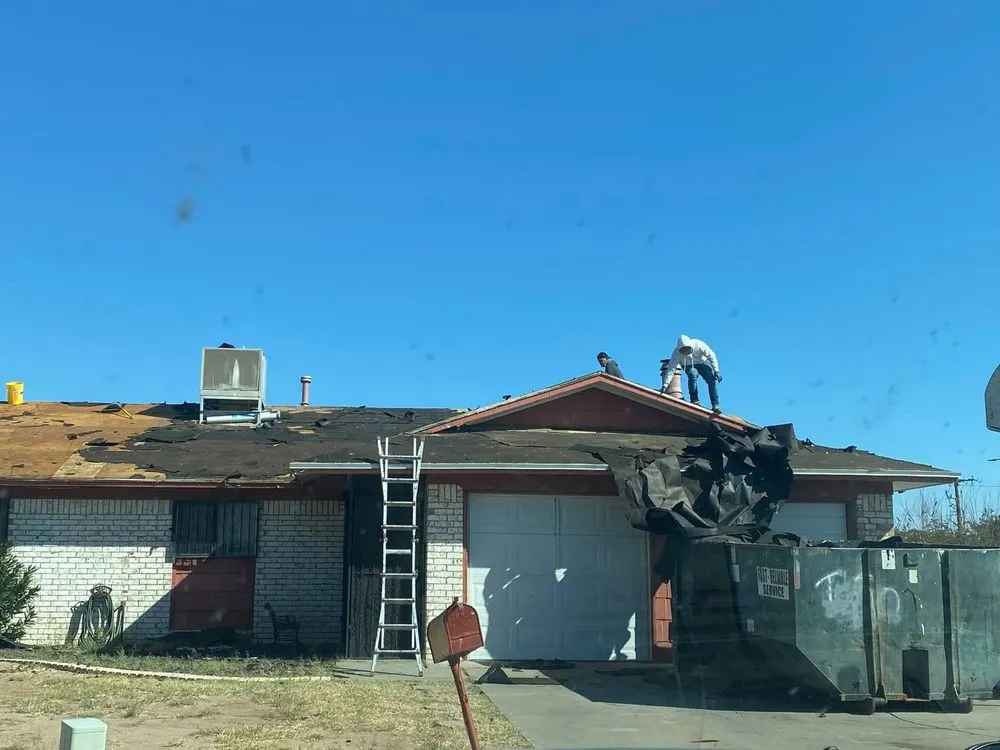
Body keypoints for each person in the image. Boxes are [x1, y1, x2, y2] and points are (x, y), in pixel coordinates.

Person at [659, 335, 723, 412]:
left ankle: (715, 404)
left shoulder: (699, 345)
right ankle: (694, 400)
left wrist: (716, 370)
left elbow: (711, 356)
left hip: (702, 362)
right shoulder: (677, 354)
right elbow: (671, 369)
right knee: (692, 375)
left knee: (711, 380)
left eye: (687, 349)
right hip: (688, 365)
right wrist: (665, 385)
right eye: (683, 350)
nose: (686, 352)